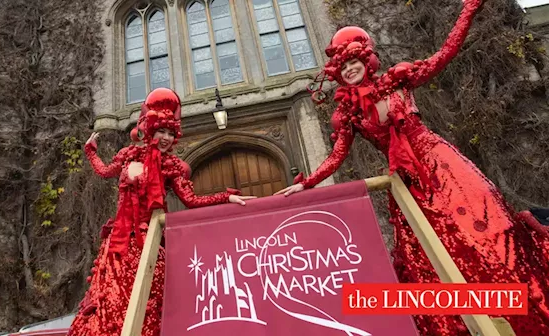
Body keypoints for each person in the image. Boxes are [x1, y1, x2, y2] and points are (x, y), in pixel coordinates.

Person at [275, 0, 549, 334]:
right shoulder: (350, 114)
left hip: (441, 164)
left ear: (365, 59)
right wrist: (306, 182)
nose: (348, 69)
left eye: (352, 61)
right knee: (434, 249)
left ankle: (521, 312)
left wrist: (468, 11)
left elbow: (444, 53)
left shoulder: (399, 82)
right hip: (407, 182)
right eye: (342, 66)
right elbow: (336, 156)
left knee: (487, 229)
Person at [68, 88, 255, 336]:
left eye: (171, 133)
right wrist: (91, 151)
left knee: (148, 299)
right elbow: (104, 171)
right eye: (161, 131)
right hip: (120, 244)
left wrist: (226, 196)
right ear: (150, 129)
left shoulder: (171, 166)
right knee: (111, 298)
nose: (166, 137)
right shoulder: (127, 156)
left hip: (149, 242)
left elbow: (191, 200)